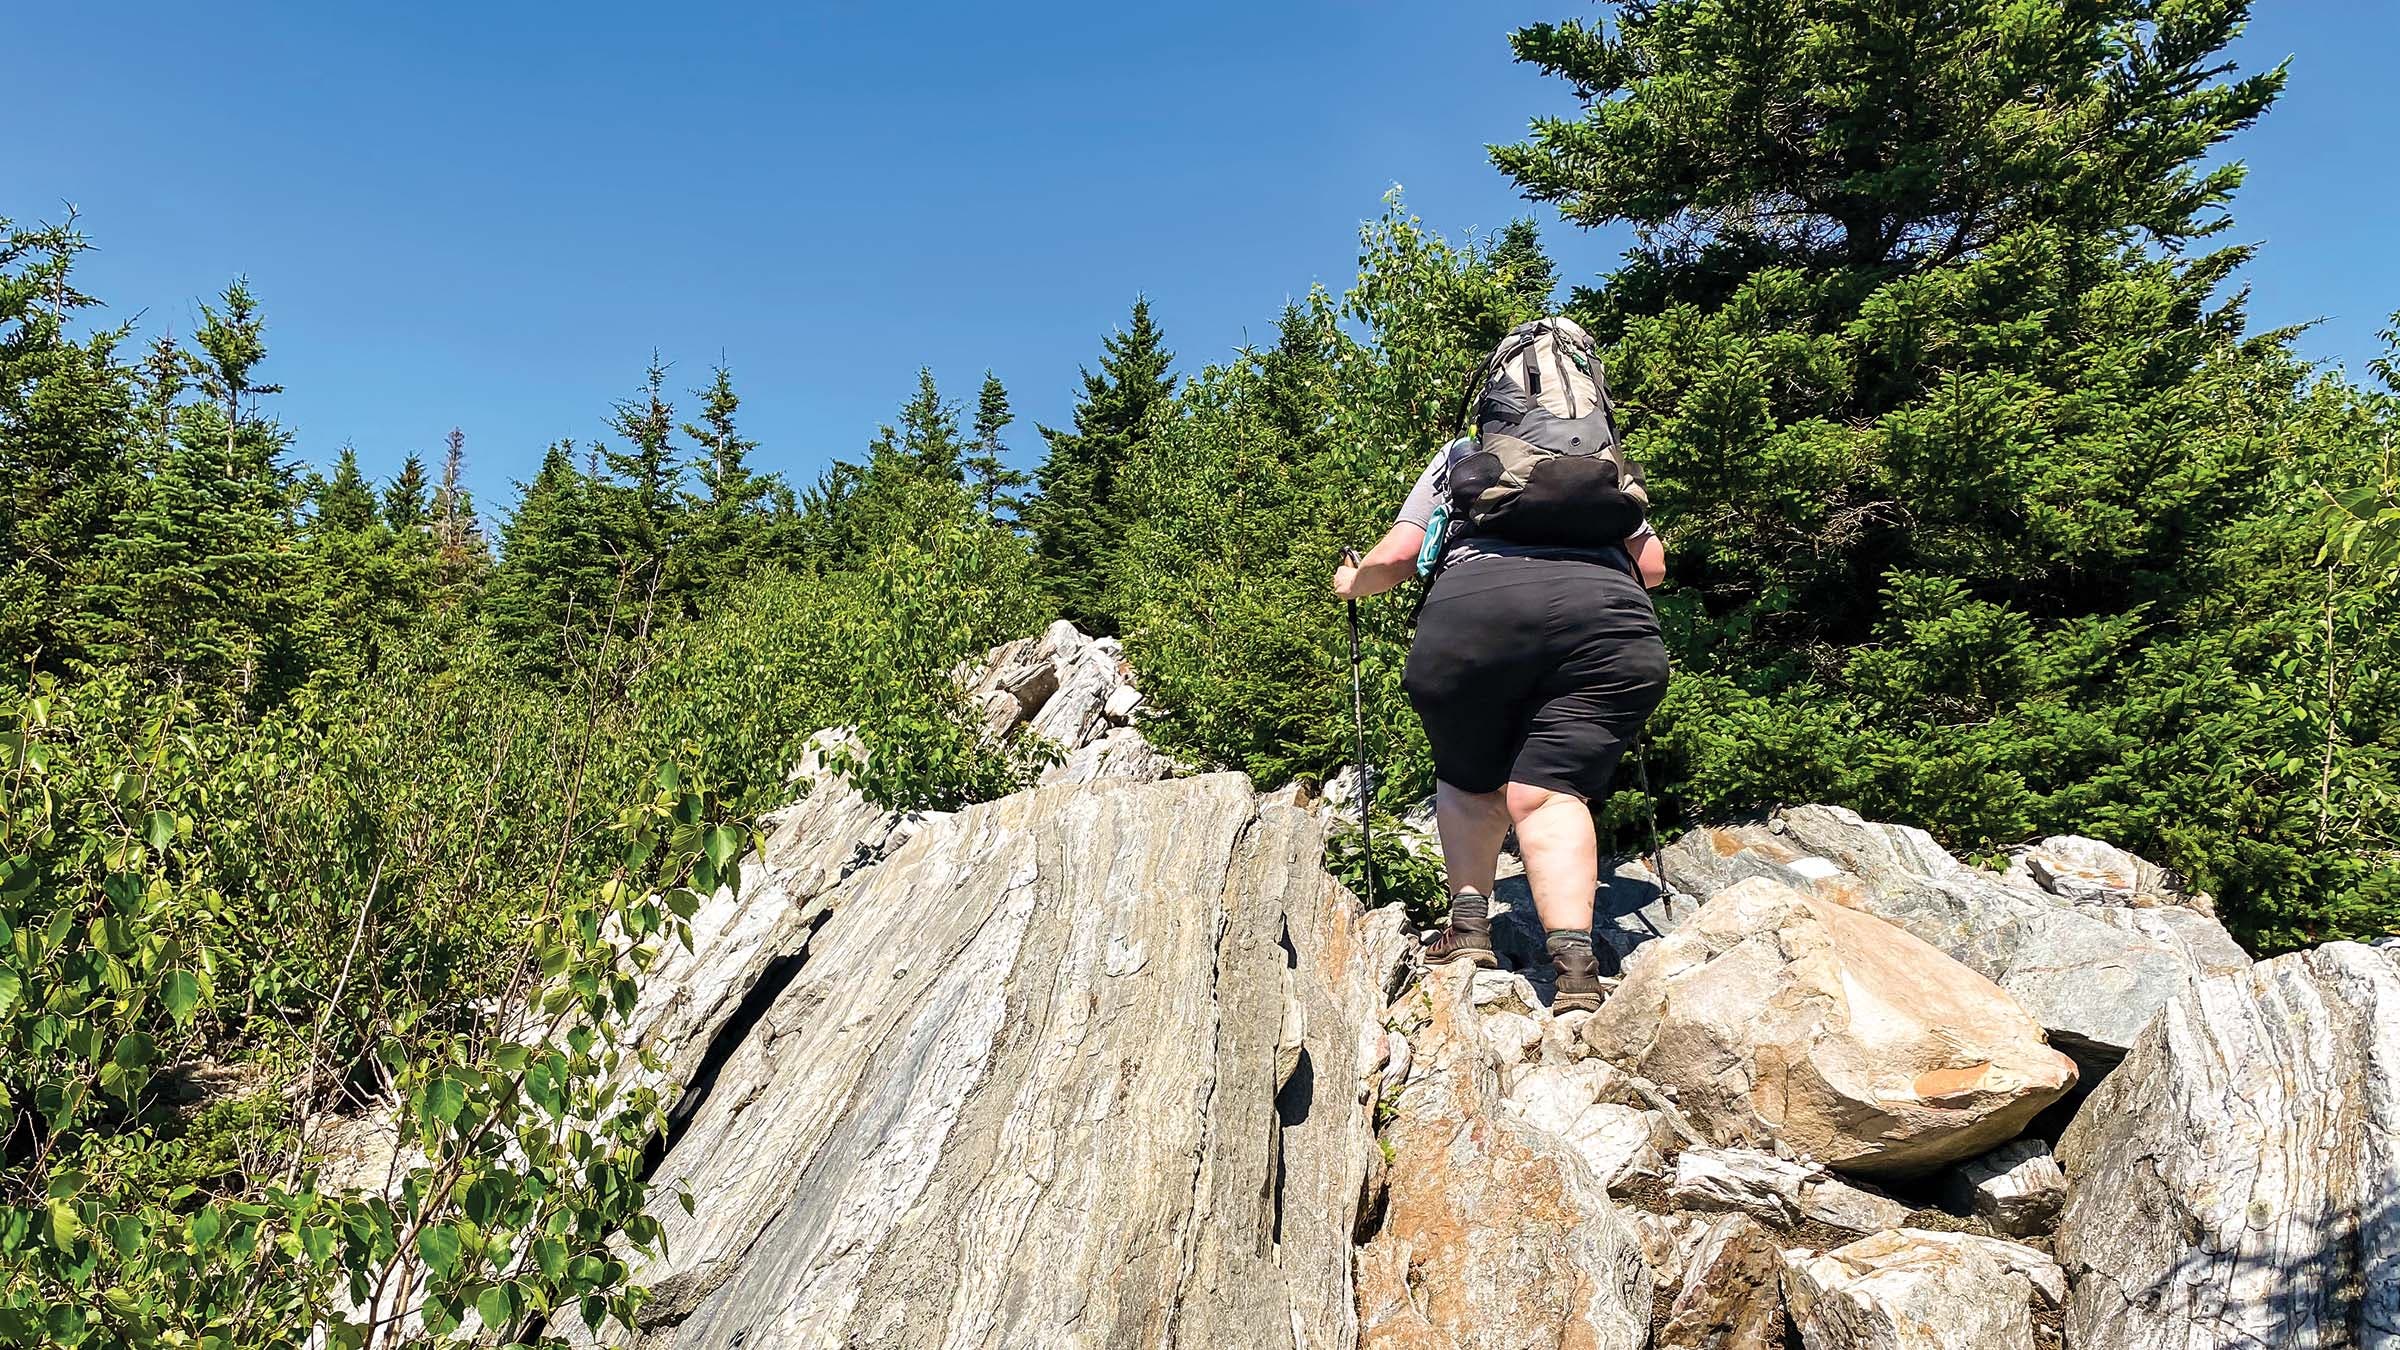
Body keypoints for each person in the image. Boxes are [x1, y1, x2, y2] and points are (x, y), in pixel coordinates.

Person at [1332, 434, 1668, 1013]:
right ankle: (1576, 974)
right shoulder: (1602, 458)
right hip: (1610, 626)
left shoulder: (1464, 451)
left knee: (1468, 779)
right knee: (1552, 792)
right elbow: (1654, 568)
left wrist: (1353, 581)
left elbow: (1400, 556)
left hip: (1475, 612)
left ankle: (1468, 930)